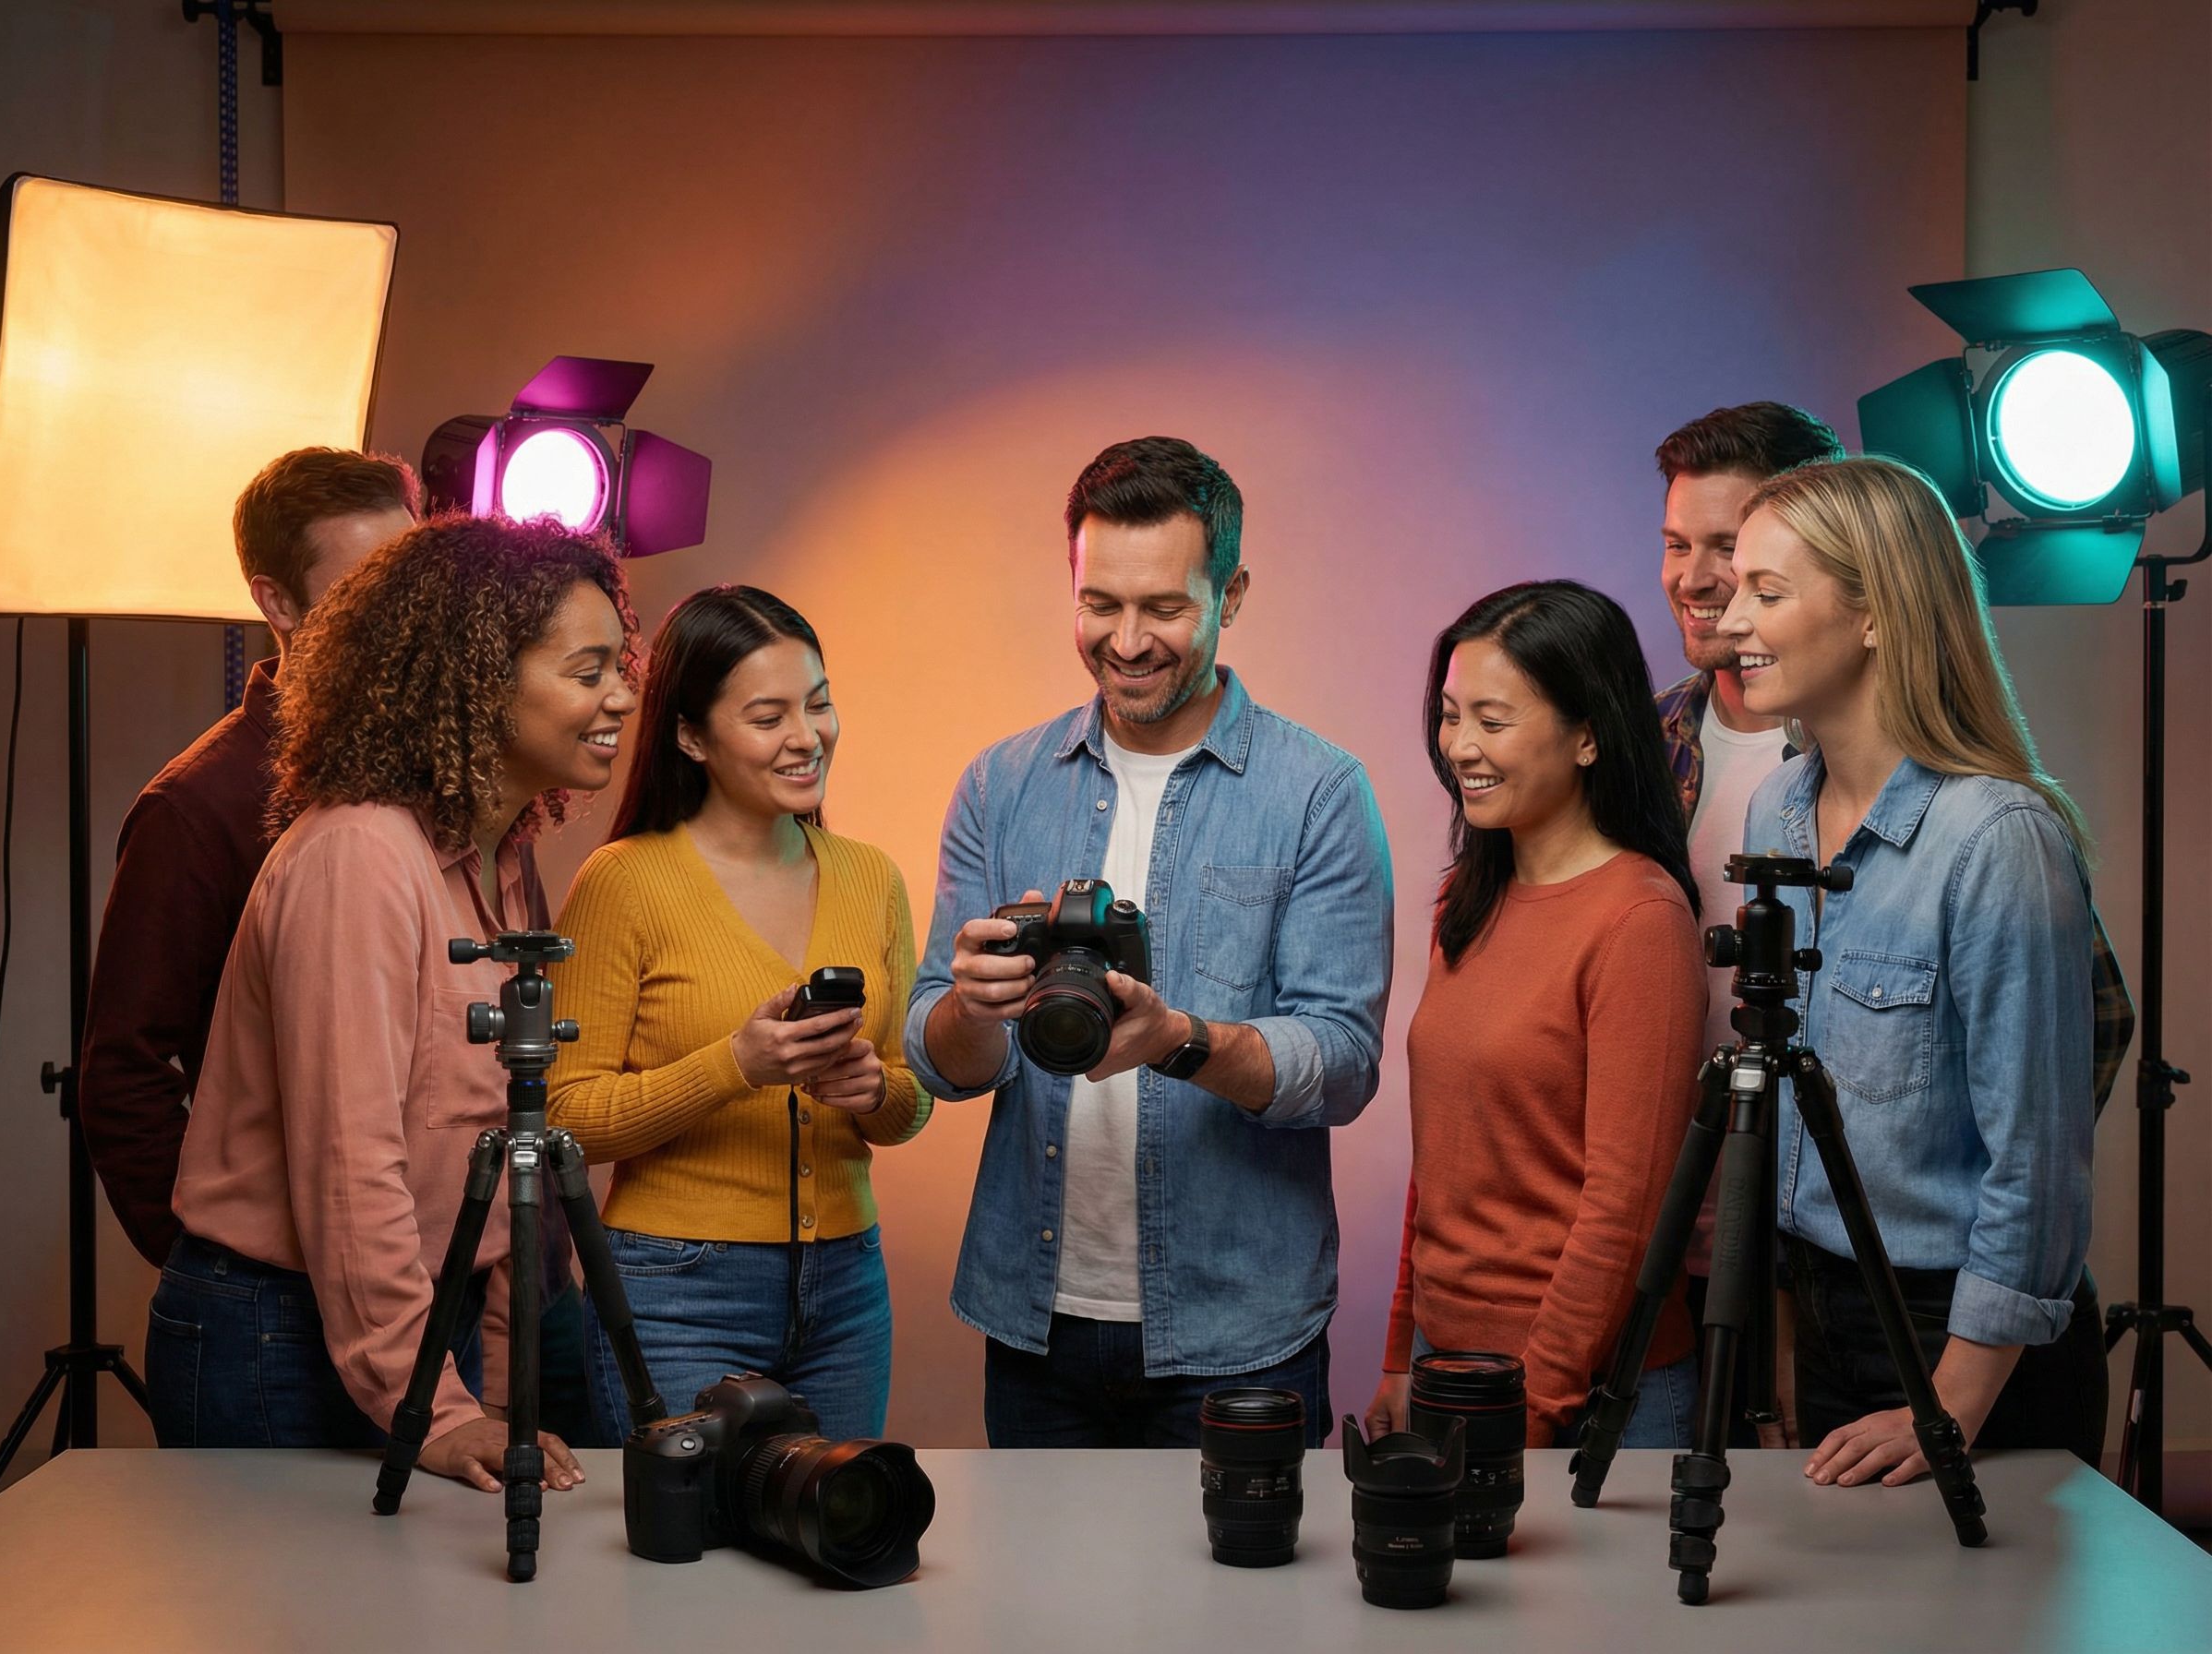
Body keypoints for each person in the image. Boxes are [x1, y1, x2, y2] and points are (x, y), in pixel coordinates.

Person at [905, 436, 1393, 1448]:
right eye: (1100, 605)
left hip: (1240, 1330)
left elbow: (1343, 1063)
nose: (1126, 642)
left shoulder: (1318, 794)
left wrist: (1180, 1040)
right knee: (1046, 1612)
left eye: (1164, 608)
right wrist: (971, 1006)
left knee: (1246, 1609)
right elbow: (940, 1063)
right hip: (1035, 1324)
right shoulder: (1002, 785)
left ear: (1232, 592)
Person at [147, 515, 638, 1492]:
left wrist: (492, 1385)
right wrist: (438, 1409)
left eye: (622, 667)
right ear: (478, 679)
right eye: (588, 673)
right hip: (278, 1334)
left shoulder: (498, 859)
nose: (621, 696)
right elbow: (349, 1162)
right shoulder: (359, 855)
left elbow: (498, 1147)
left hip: (417, 1320)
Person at [1717, 456, 2107, 1483]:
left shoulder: (1996, 838)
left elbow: (2037, 1163)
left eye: (1768, 591)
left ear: (1877, 613)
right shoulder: (1776, 814)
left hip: (1967, 1340)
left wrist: (1951, 1402)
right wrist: (1788, 1348)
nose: (1729, 623)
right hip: (1829, 1318)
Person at [547, 586, 931, 1442]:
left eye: (819, 703)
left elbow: (910, 1103)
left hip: (846, 1286)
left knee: (833, 1541)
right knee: (687, 1553)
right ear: (692, 736)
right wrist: (736, 1066)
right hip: (675, 1289)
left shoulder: (873, 879)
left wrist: (871, 1090)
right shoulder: (625, 881)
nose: (808, 736)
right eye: (768, 717)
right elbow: (564, 1122)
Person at [1364, 581, 1706, 1449]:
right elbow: (1445, 1155)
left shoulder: (1641, 922)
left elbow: (1624, 1208)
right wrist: (1404, 1353)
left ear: (1588, 734)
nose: (1460, 749)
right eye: (1449, 716)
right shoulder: (1467, 898)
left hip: (1581, 1391)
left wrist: (1536, 1406)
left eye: (1492, 719)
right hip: (1453, 1370)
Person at [79, 448, 415, 1267]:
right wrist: (216, 1265)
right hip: (277, 1300)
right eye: (366, 593)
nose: (405, 618)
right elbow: (123, 1075)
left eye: (410, 583)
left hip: (424, 1262)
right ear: (277, 601)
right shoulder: (197, 806)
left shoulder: (430, 770)